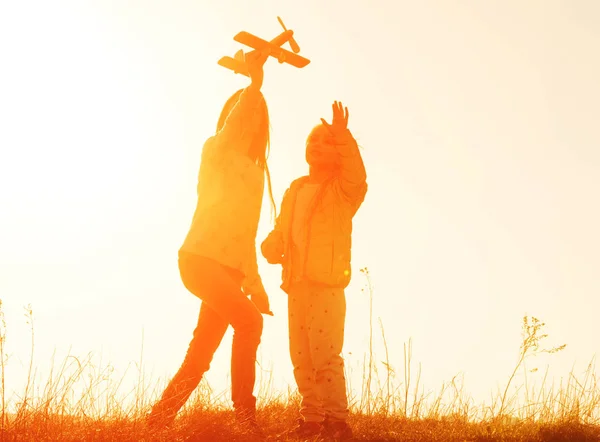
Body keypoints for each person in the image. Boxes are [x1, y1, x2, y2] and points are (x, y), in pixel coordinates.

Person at [147, 50, 275, 436]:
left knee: (201, 354)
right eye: (244, 114)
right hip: (200, 259)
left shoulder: (255, 174)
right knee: (248, 323)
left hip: (230, 269)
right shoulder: (215, 152)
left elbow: (246, 236)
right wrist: (252, 89)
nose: (249, 122)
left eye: (257, 117)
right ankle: (246, 419)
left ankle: (158, 420)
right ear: (232, 117)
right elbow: (233, 128)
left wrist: (256, 286)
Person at [261, 102, 367, 441]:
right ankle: (311, 419)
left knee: (325, 356)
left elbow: (356, 176)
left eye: (325, 141)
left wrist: (344, 136)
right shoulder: (295, 189)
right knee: (302, 356)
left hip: (327, 286)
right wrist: (272, 244)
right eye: (312, 140)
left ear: (338, 154)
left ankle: (336, 420)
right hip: (297, 286)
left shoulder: (343, 192)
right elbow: (283, 228)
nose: (316, 145)